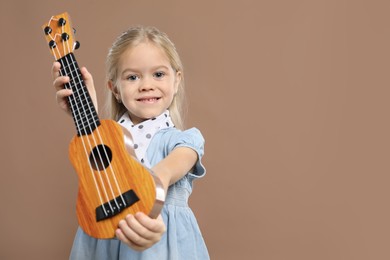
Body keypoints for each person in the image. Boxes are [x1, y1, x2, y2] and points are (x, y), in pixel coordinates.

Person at [52, 26, 209, 259]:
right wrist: (86, 115)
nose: (146, 85)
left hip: (162, 246)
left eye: (158, 74)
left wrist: (152, 186)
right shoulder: (105, 140)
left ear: (176, 81)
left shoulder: (184, 140)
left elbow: (170, 168)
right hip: (100, 243)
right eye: (132, 77)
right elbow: (96, 167)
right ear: (115, 88)